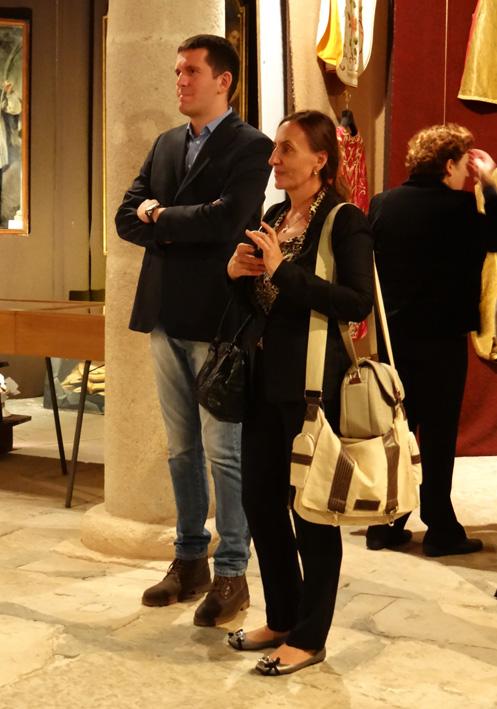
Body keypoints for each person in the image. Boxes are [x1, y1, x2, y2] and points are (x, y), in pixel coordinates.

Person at [115, 34, 273, 627]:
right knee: (181, 449)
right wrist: (173, 219)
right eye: (177, 71)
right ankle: (189, 560)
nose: (180, 80)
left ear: (223, 80)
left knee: (223, 452)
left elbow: (227, 221)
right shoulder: (165, 143)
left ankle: (232, 571)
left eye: (190, 71)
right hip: (164, 311)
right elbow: (125, 217)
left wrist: (160, 215)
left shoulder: (251, 145)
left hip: (218, 314)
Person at [226, 110, 374, 675]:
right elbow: (262, 305)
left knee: (311, 512)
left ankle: (310, 638)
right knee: (260, 504)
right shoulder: (272, 217)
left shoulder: (344, 220)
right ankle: (283, 618)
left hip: (314, 387)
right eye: (275, 148)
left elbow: (356, 302)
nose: (274, 159)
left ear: (320, 159)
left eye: (287, 149)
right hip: (263, 382)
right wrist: (237, 275)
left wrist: (281, 271)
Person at [366, 123, 497, 556]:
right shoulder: (462, 209)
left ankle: (386, 524)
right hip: (442, 341)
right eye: (462, 166)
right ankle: (441, 529)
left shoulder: (383, 204)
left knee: (396, 432)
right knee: (437, 438)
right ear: (449, 165)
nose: (464, 174)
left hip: (394, 341)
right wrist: (490, 183)